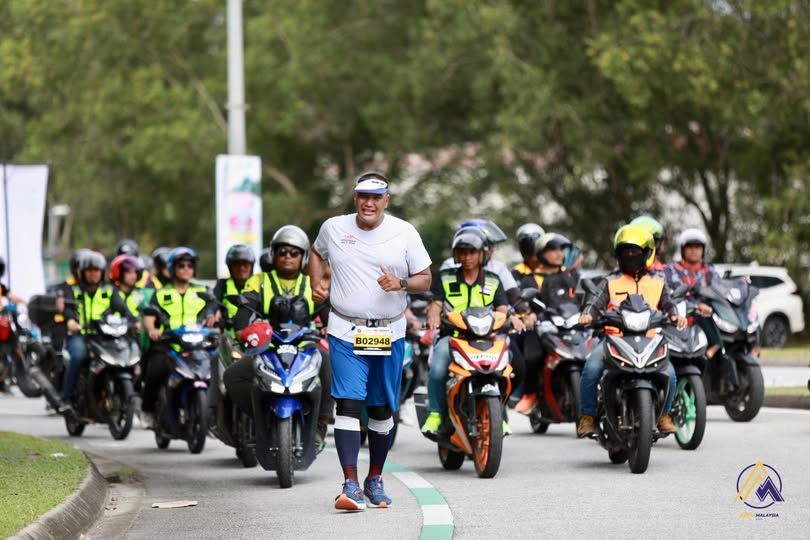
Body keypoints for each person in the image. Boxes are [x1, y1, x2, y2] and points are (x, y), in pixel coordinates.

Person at [309, 171, 432, 511]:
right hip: (346, 329)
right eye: (363, 195)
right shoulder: (334, 228)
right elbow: (316, 253)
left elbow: (425, 277)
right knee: (348, 403)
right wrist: (317, 285)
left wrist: (401, 284)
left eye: (376, 197)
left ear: (386, 201)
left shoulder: (404, 232)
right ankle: (350, 483)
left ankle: (374, 478)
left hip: (388, 332)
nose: (369, 202)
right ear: (355, 198)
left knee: (380, 409)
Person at [224, 228, 335, 449]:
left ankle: (320, 424)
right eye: (282, 251)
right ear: (273, 254)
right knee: (232, 377)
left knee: (329, 363)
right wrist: (243, 328)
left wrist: (333, 329)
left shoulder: (310, 282)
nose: (287, 256)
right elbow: (244, 310)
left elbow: (326, 313)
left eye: (294, 253)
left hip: (304, 345)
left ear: (303, 257)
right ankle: (261, 416)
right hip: (269, 346)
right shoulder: (259, 281)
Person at [576, 225, 685, 438]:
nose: (630, 255)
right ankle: (587, 417)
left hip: (650, 341)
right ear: (618, 255)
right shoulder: (610, 282)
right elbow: (595, 303)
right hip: (614, 339)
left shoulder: (658, 283)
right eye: (626, 251)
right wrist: (588, 314)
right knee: (591, 367)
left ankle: (664, 415)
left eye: (635, 251)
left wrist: (675, 316)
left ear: (646, 254)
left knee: (670, 374)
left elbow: (669, 305)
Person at [422, 227, 522, 434]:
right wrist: (433, 317)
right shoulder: (446, 277)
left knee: (503, 371)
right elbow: (437, 304)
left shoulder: (494, 280)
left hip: (488, 338)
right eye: (462, 252)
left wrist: (512, 319)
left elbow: (503, 308)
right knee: (438, 370)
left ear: (482, 254)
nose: (467, 257)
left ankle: (499, 416)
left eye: (472, 252)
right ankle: (435, 414)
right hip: (453, 337)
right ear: (456, 254)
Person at [140, 247, 217, 425]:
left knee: (217, 370)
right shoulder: (160, 294)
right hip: (169, 344)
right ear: (172, 268)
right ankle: (148, 410)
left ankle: (212, 416)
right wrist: (152, 330)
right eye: (181, 265)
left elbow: (214, 306)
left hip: (197, 344)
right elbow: (149, 316)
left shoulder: (202, 291)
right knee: (156, 369)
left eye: (190, 265)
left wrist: (213, 316)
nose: (186, 268)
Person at [514, 233, 580, 414]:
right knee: (533, 356)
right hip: (544, 327)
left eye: (561, 249)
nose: (559, 254)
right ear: (541, 253)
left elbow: (583, 297)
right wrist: (529, 314)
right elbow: (523, 303)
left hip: (571, 325)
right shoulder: (531, 279)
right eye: (553, 249)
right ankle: (529, 394)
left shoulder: (572, 275)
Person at [62, 251, 133, 401]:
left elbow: (123, 309)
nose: (93, 274)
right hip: (81, 335)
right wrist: (71, 321)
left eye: (97, 270)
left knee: (123, 356)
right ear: (82, 272)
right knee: (79, 356)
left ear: (102, 273)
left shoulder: (109, 291)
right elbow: (67, 309)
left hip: (105, 336)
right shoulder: (73, 290)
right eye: (90, 270)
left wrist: (134, 322)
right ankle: (67, 397)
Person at [664, 228, 722, 360]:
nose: (694, 250)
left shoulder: (710, 270)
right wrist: (697, 305)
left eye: (697, 247)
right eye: (690, 246)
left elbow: (719, 288)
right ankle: (715, 344)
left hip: (712, 314)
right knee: (702, 309)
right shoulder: (671, 269)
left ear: (703, 250)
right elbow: (672, 295)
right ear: (683, 250)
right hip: (682, 315)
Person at [213, 244, 256, 331]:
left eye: (245, 264)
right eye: (236, 265)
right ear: (230, 267)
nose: (241, 268)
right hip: (228, 339)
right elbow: (214, 302)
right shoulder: (223, 284)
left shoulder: (259, 284)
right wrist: (213, 313)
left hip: (256, 337)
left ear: (251, 266)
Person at [109, 255, 145, 319]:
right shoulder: (110, 293)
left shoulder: (141, 294)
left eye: (135, 272)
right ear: (119, 273)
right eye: (129, 272)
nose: (133, 276)